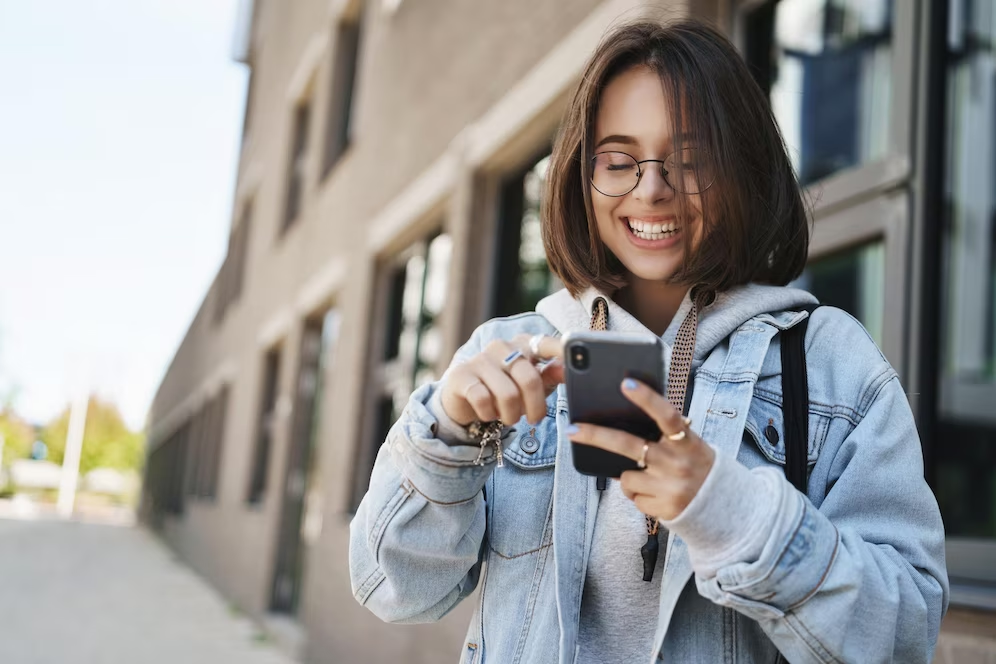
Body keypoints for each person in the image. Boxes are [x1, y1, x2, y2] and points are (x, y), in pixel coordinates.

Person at [349, 18, 948, 664]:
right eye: (619, 160)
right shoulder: (511, 349)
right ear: (584, 173)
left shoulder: (832, 366)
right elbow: (393, 589)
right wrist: (446, 437)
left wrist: (733, 513)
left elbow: (905, 632)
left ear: (742, 168)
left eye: (691, 161)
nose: (652, 189)